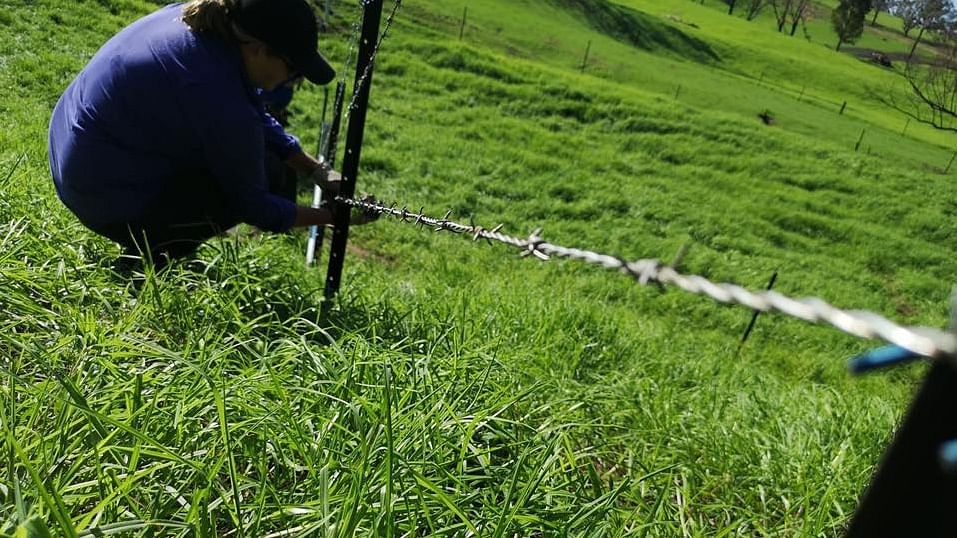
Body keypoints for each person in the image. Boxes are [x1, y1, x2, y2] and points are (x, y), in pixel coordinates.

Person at [48, 0, 371, 269]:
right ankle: (147, 259)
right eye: (293, 69)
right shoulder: (219, 94)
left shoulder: (204, 28)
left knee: (260, 161)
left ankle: (154, 236)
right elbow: (254, 207)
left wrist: (317, 170)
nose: (293, 81)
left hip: (74, 157)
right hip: (98, 195)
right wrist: (332, 217)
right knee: (240, 187)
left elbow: (253, 115)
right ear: (259, 49)